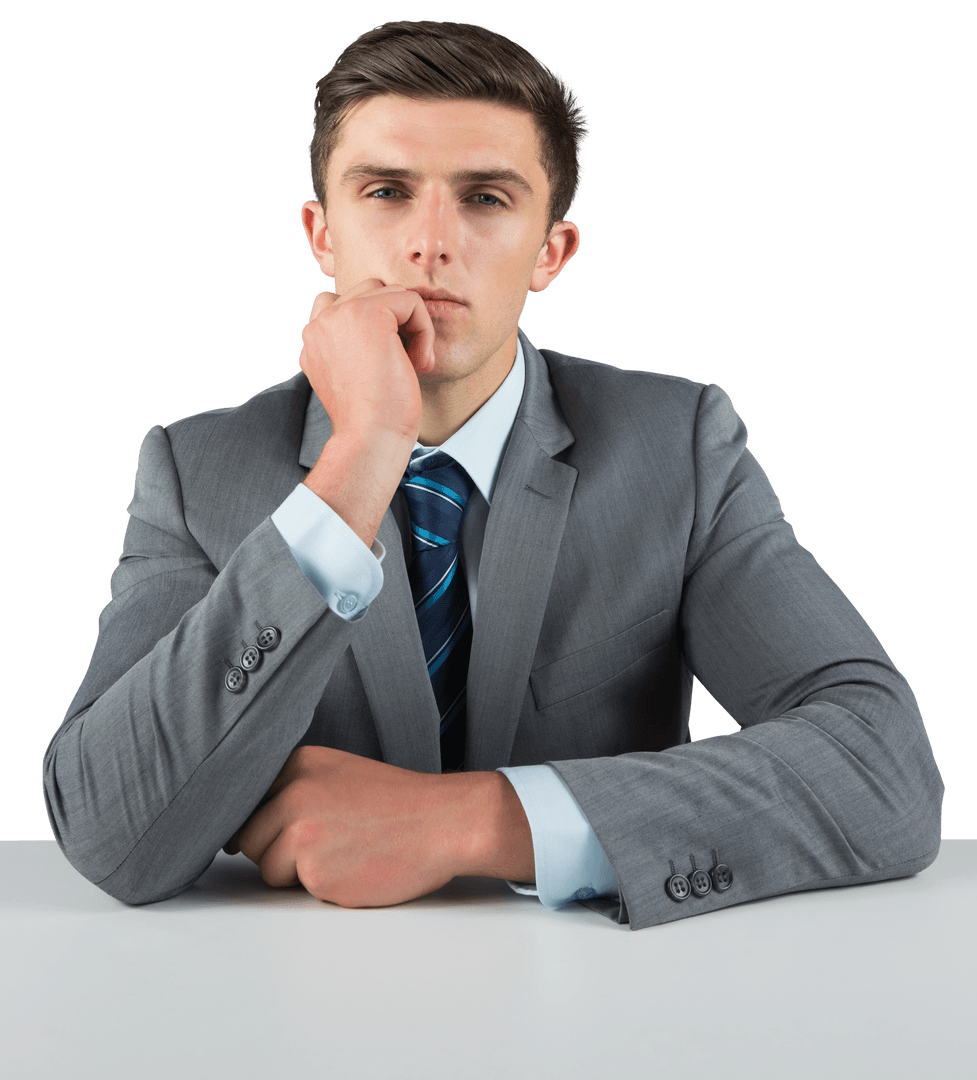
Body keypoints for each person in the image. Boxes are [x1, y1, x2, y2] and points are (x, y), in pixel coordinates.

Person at [41, 19, 944, 930]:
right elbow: (113, 833)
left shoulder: (679, 447)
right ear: (322, 235)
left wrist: (475, 821)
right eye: (387, 190)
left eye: (483, 198)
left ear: (550, 251)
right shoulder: (197, 470)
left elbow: (882, 767)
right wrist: (360, 457)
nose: (431, 243)